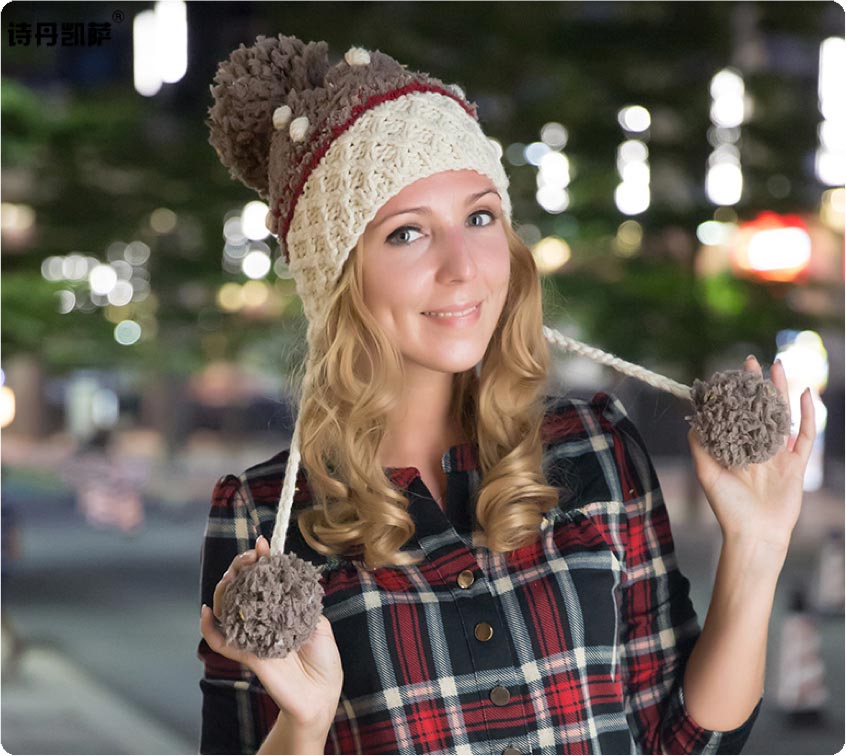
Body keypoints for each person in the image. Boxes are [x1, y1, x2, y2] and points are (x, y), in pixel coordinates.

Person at [198, 34, 816, 755]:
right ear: (336, 280)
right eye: (405, 234)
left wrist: (758, 547)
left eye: (481, 217)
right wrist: (302, 725)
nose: (463, 268)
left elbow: (687, 743)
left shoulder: (597, 445)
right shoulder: (264, 523)